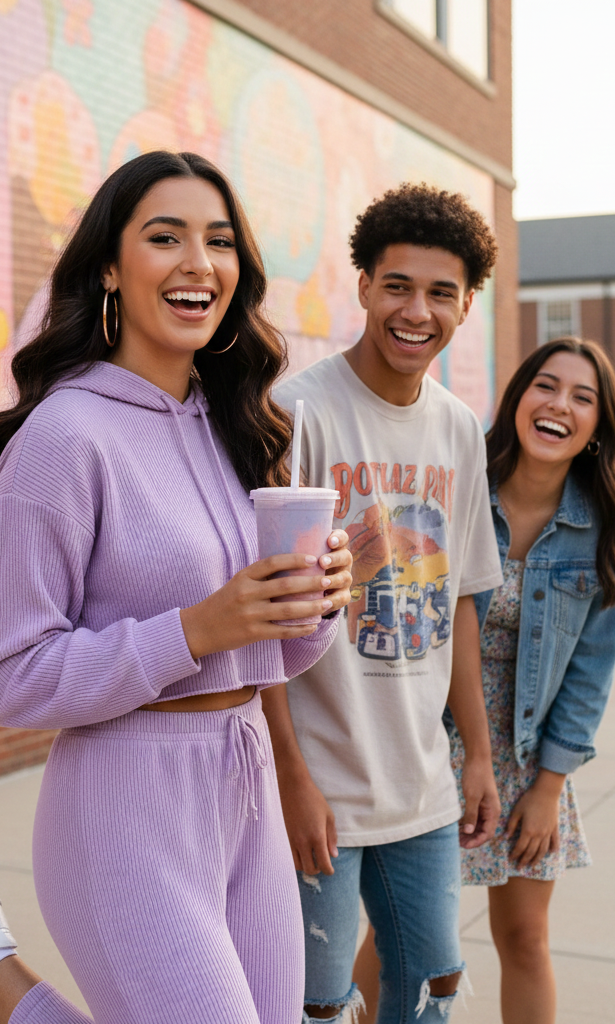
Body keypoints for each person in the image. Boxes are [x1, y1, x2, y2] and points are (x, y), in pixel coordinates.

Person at [0, 151, 354, 1024]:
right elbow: (11, 678)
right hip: (124, 806)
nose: (197, 262)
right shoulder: (65, 438)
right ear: (109, 268)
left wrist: (321, 597)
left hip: (241, 788)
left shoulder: (237, 425)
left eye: (218, 241)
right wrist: (196, 629)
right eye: (164, 237)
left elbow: (272, 653)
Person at [263, 182, 504, 1024]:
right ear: (363, 285)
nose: (417, 311)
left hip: (423, 789)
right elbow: (264, 623)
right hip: (321, 785)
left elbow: (465, 599)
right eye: (397, 285)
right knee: (318, 1005)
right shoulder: (299, 415)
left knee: (427, 993)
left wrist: (476, 754)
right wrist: (290, 777)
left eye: (441, 293)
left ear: (467, 304)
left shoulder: (459, 430)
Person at [448, 336, 615, 1024]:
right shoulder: (459, 488)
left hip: (524, 756)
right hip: (430, 737)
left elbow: (588, 673)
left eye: (583, 397)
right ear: (518, 398)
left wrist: (549, 786)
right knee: (410, 935)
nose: (559, 406)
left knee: (523, 937)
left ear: (599, 427)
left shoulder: (601, 532)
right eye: (546, 386)